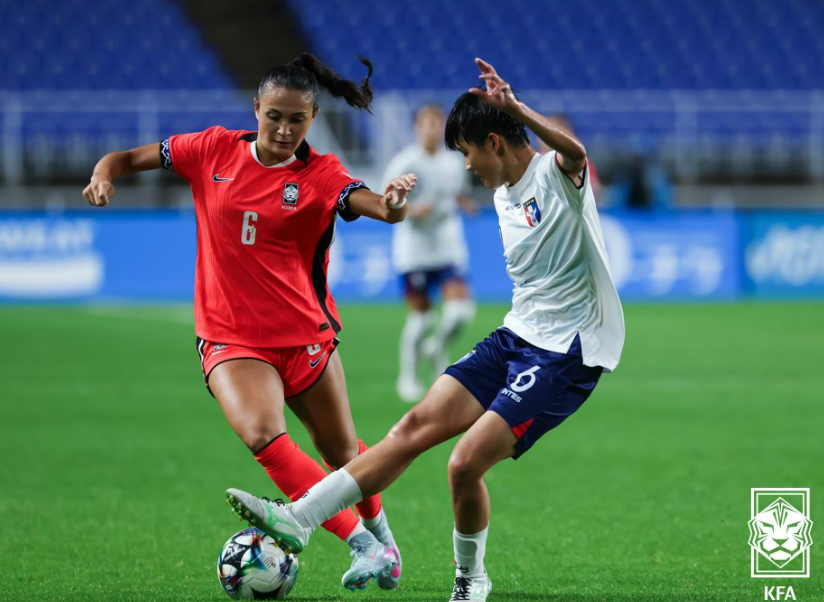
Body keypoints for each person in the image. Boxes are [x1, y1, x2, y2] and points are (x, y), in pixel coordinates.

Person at [225, 58, 625, 602]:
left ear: (494, 142)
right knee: (411, 427)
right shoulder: (503, 194)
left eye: (466, 152)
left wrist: (515, 107)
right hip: (517, 337)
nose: (465, 165)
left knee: (464, 463)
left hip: (567, 352)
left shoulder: (556, 175)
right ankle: (300, 517)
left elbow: (576, 153)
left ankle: (471, 579)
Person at [82, 53, 417, 592]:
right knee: (264, 435)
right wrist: (103, 173)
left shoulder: (321, 173)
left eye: (297, 120)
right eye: (274, 116)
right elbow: (125, 158)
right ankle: (361, 543)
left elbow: (376, 206)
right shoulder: (211, 149)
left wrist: (395, 204)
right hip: (231, 337)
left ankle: (385, 543)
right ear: (256, 108)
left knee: (344, 454)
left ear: (312, 118)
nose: (284, 130)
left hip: (305, 335)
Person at [383, 104, 478, 402]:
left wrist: (465, 203)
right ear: (417, 127)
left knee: (460, 313)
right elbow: (385, 201)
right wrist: (410, 209)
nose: (433, 129)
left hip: (448, 246)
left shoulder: (454, 161)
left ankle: (436, 347)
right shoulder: (405, 162)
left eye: (438, 123)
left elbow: (456, 192)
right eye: (428, 123)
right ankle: (408, 376)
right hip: (415, 250)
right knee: (421, 319)